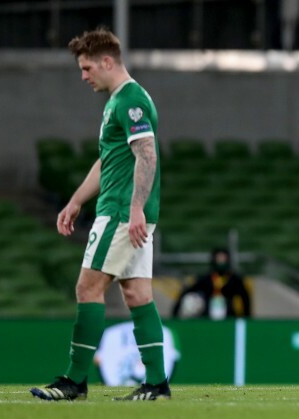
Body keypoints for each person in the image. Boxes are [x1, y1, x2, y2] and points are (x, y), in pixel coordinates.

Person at [30, 28, 170, 401]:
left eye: (87, 67)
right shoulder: (119, 102)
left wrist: (135, 208)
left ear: (107, 62)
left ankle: (75, 380)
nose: (83, 75)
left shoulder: (130, 100)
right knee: (138, 294)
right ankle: (157, 384)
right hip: (129, 209)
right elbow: (110, 159)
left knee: (87, 288)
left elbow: (147, 154)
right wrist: (76, 200)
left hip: (123, 212)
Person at [172, 248, 251, 319]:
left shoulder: (234, 280)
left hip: (228, 317)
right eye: (218, 259)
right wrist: (174, 314)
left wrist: (246, 317)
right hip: (207, 317)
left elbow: (245, 297)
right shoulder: (206, 279)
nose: (221, 262)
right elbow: (187, 291)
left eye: (223, 259)